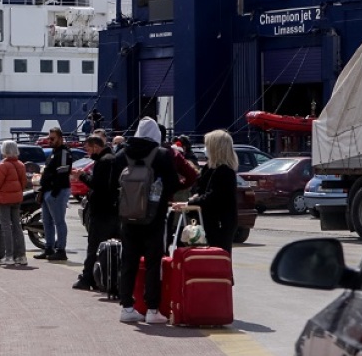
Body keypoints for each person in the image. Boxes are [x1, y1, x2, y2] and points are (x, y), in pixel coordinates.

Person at [110, 116, 181, 324]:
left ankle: (127, 307)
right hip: (154, 217)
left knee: (128, 262)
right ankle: (152, 309)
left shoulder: (121, 155)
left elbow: (112, 185)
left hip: (128, 218)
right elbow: (173, 184)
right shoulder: (161, 155)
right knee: (152, 262)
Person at [175, 129, 239, 253]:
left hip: (220, 224)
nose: (205, 148)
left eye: (207, 145)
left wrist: (189, 203)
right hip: (206, 221)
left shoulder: (225, 171)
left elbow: (214, 197)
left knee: (217, 257)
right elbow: (201, 190)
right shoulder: (209, 168)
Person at [73, 135, 120, 289]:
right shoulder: (113, 159)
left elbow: (97, 185)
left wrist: (82, 176)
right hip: (112, 210)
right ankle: (107, 277)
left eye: (88, 149)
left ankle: (88, 278)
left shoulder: (104, 161)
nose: (88, 153)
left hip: (101, 211)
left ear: (96, 147)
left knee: (94, 246)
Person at [34, 127, 73, 261]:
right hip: (48, 191)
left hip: (57, 191)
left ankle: (61, 250)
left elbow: (62, 173)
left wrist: (54, 193)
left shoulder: (63, 153)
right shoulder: (53, 152)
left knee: (59, 221)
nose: (50, 141)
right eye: (49, 138)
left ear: (61, 139)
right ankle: (49, 248)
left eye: (52, 138)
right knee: (47, 221)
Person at [0, 140, 28, 266]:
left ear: (4, 151)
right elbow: (23, 183)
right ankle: (21, 256)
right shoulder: (21, 164)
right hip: (16, 198)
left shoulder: (3, 165)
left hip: (4, 199)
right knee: (17, 226)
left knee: (6, 226)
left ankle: (9, 255)